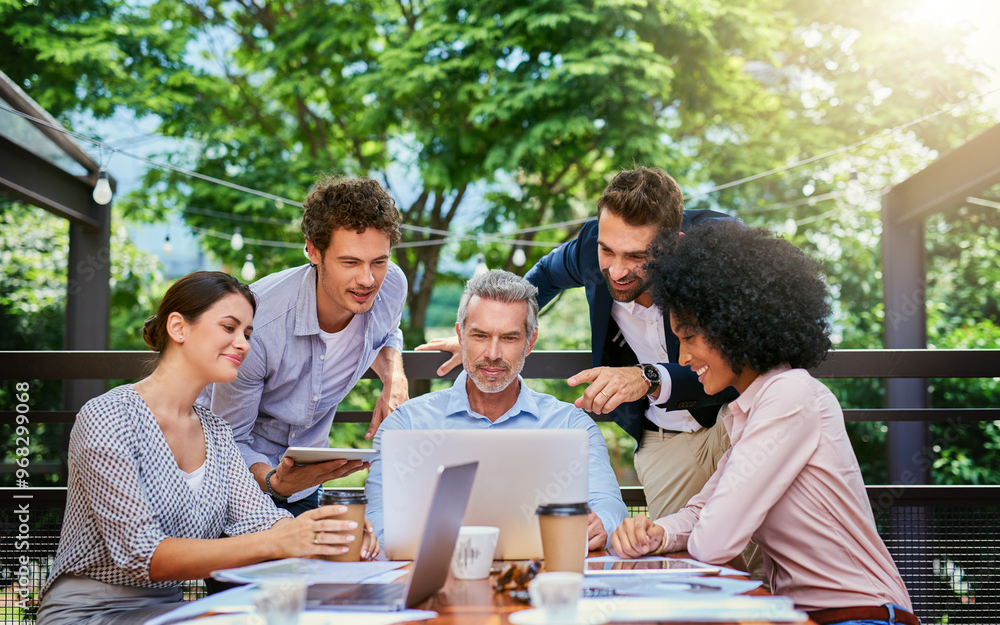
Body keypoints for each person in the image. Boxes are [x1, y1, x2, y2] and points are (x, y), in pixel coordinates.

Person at [610, 222, 916, 625]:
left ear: (732, 327)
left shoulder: (790, 396)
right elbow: (702, 509)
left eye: (690, 337)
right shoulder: (750, 410)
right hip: (807, 616)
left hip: (863, 615)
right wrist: (656, 534)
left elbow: (715, 541)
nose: (681, 358)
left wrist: (678, 532)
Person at [37, 272, 377, 625]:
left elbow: (260, 519)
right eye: (229, 328)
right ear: (178, 328)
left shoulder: (216, 431)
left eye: (247, 333)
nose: (244, 344)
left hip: (168, 610)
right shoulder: (109, 416)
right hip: (88, 614)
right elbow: (141, 554)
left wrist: (328, 531)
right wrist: (282, 542)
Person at [418, 167, 735, 521]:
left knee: (755, 558)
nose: (616, 271)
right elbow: (542, 278)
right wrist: (487, 333)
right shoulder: (587, 248)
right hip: (664, 436)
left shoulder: (721, 250)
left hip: (732, 418)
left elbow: (741, 357)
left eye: (635, 257)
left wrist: (647, 377)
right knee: (677, 557)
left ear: (673, 245)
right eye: (607, 251)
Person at [367, 270, 628, 549]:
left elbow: (610, 505)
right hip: (435, 581)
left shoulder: (572, 426)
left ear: (530, 341)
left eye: (509, 338)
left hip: (539, 580)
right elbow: (378, 519)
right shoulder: (405, 425)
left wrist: (601, 523)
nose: (492, 354)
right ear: (461, 335)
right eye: (480, 335)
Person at [204, 176, 408, 515]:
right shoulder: (257, 326)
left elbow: (388, 333)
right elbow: (227, 440)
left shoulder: (392, 287)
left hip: (307, 485)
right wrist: (273, 482)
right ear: (313, 250)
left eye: (379, 261)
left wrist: (394, 375)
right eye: (350, 262)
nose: (368, 280)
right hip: (235, 487)